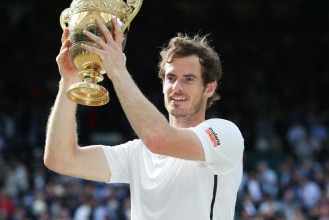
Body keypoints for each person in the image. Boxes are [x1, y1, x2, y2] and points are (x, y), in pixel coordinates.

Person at [44, 17, 244, 220]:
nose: (177, 87)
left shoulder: (225, 134)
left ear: (210, 87)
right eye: (171, 78)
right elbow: (60, 159)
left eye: (189, 79)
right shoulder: (137, 152)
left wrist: (118, 71)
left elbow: (159, 139)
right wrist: (68, 81)